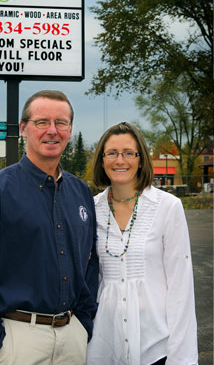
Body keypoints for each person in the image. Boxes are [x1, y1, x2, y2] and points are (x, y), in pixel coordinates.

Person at [0, 90, 99, 365]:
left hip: (72, 338)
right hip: (18, 341)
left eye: (61, 123)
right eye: (42, 122)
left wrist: (83, 323)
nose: (52, 131)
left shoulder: (81, 193)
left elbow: (90, 264)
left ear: (70, 129)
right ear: (23, 128)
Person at [86, 122, 198, 365]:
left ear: (140, 159)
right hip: (104, 345)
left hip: (156, 347)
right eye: (112, 153)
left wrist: (181, 357)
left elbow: (181, 288)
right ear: (101, 160)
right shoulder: (91, 209)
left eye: (128, 153)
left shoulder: (168, 207)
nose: (120, 160)